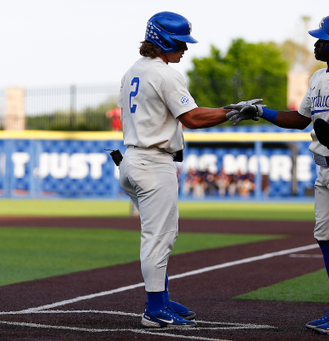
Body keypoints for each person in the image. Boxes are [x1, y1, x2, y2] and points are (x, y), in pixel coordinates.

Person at [226, 15, 329, 335]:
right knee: (325, 238)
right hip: (325, 165)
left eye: (322, 39)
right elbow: (299, 119)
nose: (316, 43)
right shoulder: (317, 77)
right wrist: (260, 111)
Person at [118, 11, 232, 329]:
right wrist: (231, 112)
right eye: (181, 42)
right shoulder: (165, 73)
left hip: (132, 159)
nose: (185, 48)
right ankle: (155, 308)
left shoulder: (133, 71)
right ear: (165, 40)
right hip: (154, 163)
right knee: (160, 236)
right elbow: (192, 118)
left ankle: (162, 298)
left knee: (158, 234)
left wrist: (226, 111)